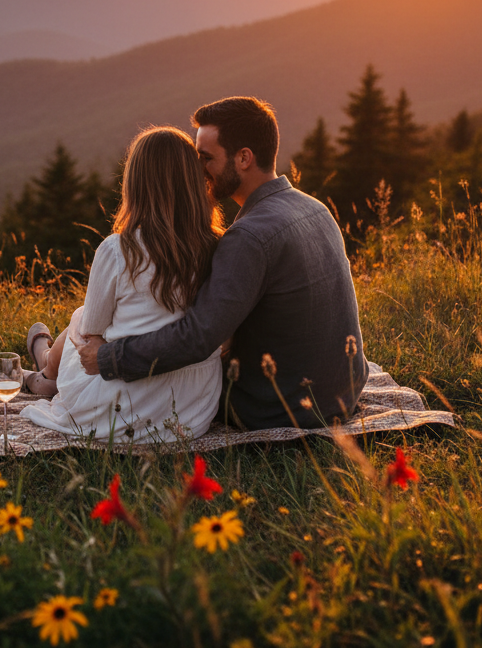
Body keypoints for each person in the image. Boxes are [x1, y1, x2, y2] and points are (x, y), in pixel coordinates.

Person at [77, 96, 367, 430]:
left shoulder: (249, 236)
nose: (196, 170)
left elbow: (199, 338)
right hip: (341, 392)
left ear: (243, 158)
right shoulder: (314, 206)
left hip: (280, 405)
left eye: (205, 158)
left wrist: (109, 358)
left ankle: (48, 368)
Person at [20, 126, 224, 442]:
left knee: (80, 320)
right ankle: (45, 366)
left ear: (136, 185)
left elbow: (92, 336)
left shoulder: (119, 249)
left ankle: (46, 369)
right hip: (192, 408)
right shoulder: (218, 247)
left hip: (124, 406)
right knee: (85, 321)